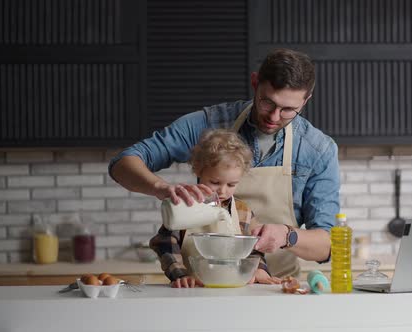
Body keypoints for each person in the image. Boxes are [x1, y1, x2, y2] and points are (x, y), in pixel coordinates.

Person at [109, 48, 340, 277]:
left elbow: (327, 245)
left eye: (289, 109)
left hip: (276, 288)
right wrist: (161, 189)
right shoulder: (208, 123)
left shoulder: (318, 149)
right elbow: (122, 164)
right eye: (267, 102)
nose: (274, 117)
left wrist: (288, 236)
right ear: (254, 82)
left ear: (306, 100)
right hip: (205, 284)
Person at [149, 129, 280, 288]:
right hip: (193, 289)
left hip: (234, 290)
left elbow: (254, 246)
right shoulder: (186, 206)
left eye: (231, 184)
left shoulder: (242, 210)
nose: (223, 191)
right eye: (215, 182)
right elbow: (164, 242)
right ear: (199, 171)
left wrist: (259, 269)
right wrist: (179, 274)